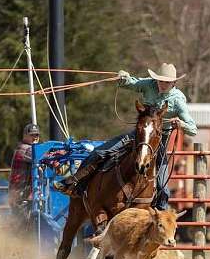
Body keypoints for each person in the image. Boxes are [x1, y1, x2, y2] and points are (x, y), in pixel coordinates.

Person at [54, 62, 197, 212]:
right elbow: (132, 83)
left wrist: (181, 124)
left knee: (162, 184)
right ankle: (75, 184)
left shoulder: (178, 100)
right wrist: (124, 78)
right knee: (100, 152)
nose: (163, 84)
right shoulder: (149, 84)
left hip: (159, 139)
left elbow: (193, 129)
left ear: (173, 82)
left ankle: (160, 216)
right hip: (140, 134)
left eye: (167, 82)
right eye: (161, 80)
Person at [7, 123, 40, 231]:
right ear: (25, 135)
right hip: (20, 194)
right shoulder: (25, 149)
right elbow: (41, 158)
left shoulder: (27, 148)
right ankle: (16, 245)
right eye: (32, 135)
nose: (35, 137)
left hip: (21, 194)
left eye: (37, 135)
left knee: (22, 224)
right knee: (22, 225)